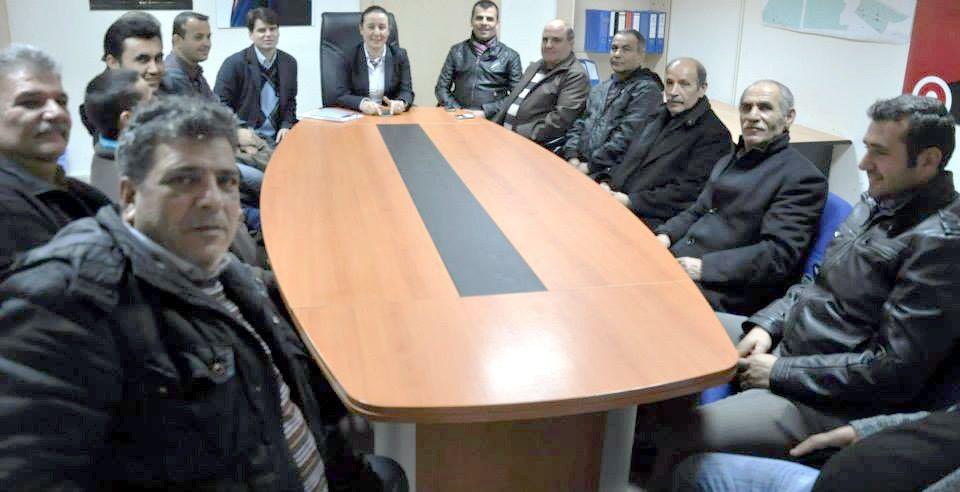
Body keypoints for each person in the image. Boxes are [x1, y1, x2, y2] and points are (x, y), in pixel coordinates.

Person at [0, 95, 406, 491]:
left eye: (226, 181)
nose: (213, 200)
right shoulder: (66, 300)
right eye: (185, 179)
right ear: (129, 196)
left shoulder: (225, 271)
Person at [650, 94, 960, 490]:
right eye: (867, 148)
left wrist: (780, 372)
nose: (864, 164)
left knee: (677, 436)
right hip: (792, 347)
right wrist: (767, 325)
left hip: (826, 399)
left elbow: (893, 371)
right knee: (675, 324)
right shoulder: (878, 201)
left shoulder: (942, 243)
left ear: (929, 160)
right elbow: (816, 281)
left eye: (879, 153)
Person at [654, 80, 826, 315]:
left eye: (765, 108)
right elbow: (698, 210)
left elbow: (777, 255)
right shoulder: (732, 158)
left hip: (726, 288)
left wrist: (704, 268)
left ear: (789, 117)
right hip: (681, 263)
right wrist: (665, 235)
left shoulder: (802, 177)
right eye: (746, 108)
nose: (753, 116)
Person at [0, 44, 112, 273]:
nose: (56, 113)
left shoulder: (84, 194)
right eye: (30, 102)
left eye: (61, 101)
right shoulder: (6, 205)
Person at [672, 405, 960, 491]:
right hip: (827, 478)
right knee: (693, 470)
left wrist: (779, 371)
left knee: (685, 441)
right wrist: (859, 431)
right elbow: (944, 418)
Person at [600, 57, 731, 229]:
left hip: (652, 218)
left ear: (702, 89)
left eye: (684, 84)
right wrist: (607, 182)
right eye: (669, 83)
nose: (674, 91)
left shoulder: (714, 134)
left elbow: (688, 192)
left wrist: (631, 201)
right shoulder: (657, 114)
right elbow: (627, 158)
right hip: (618, 201)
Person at [562, 30, 663, 175]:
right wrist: (572, 155)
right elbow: (580, 123)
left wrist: (590, 166)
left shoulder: (647, 91)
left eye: (626, 49)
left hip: (607, 171)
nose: (617, 54)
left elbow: (627, 137)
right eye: (614, 48)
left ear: (641, 55)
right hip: (579, 163)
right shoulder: (601, 88)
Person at [492, 19, 589, 148]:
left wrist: (515, 133)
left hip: (532, 146)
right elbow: (512, 101)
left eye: (556, 40)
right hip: (505, 139)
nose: (548, 45)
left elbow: (559, 121)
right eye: (545, 39)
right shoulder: (536, 66)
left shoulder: (575, 75)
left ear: (571, 43)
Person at [215, 7, 298, 146]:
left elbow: (290, 102)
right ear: (250, 34)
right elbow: (219, 105)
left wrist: (286, 125)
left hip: (278, 138)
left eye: (273, 29)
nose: (268, 34)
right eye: (261, 30)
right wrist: (239, 130)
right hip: (247, 139)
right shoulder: (234, 64)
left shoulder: (289, 63)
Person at [434, 0, 522, 119]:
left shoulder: (511, 56)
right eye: (479, 18)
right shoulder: (456, 51)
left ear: (497, 23)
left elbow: (516, 97)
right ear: (472, 21)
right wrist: (459, 112)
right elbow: (441, 88)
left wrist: (485, 112)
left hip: (492, 120)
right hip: (456, 117)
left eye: (489, 19)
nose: (484, 23)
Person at [83, 68, 154, 201]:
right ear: (128, 119)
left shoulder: (107, 155)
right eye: (151, 103)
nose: (160, 104)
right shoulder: (131, 180)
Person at [332, 5, 413, 116]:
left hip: (389, 116)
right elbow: (340, 94)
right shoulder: (347, 56)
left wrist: (401, 102)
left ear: (389, 30)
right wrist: (362, 104)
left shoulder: (399, 56)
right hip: (359, 117)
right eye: (371, 27)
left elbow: (406, 91)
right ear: (361, 29)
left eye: (382, 27)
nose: (376, 32)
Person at [164, 11, 216, 100]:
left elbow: (216, 105)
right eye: (198, 37)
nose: (207, 43)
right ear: (177, 40)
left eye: (208, 37)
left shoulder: (195, 71)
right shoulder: (171, 76)